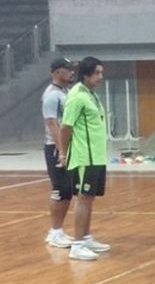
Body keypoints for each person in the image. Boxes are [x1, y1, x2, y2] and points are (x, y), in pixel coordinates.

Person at [58, 57, 111, 261]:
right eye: (97, 73)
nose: (100, 77)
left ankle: (86, 237)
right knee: (83, 198)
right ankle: (77, 244)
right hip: (84, 157)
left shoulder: (91, 95)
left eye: (101, 73)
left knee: (90, 198)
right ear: (86, 73)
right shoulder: (77, 96)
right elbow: (66, 127)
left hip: (96, 157)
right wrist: (63, 153)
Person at [43, 57, 75, 248]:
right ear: (56, 72)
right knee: (59, 189)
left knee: (67, 190)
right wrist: (61, 149)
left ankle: (59, 230)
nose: (71, 72)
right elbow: (52, 123)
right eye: (68, 69)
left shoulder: (66, 92)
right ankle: (54, 231)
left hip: (66, 147)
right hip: (55, 148)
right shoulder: (51, 95)